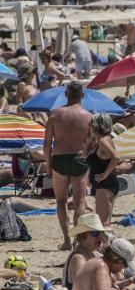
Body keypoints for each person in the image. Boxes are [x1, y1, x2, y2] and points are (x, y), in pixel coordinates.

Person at [44, 81, 92, 250]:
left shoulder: (55, 115)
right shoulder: (88, 116)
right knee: (80, 202)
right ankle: (78, 241)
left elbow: (46, 144)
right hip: (80, 158)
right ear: (83, 96)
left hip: (59, 159)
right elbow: (91, 143)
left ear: (66, 95)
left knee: (61, 201)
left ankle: (66, 240)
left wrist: (48, 164)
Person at [85, 113, 119, 226]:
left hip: (106, 184)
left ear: (97, 125)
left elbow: (115, 158)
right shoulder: (98, 141)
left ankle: (109, 243)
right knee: (103, 222)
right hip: (103, 185)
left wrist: (104, 175)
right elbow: (82, 157)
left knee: (104, 223)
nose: (89, 126)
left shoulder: (104, 140)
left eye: (91, 123)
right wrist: (89, 140)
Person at [62, 213, 108, 290]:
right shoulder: (78, 258)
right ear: (83, 235)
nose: (99, 237)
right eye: (95, 233)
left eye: (100, 233)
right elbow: (81, 288)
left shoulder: (94, 253)